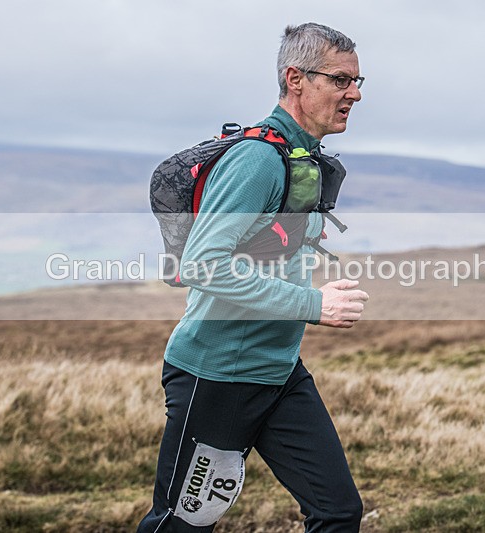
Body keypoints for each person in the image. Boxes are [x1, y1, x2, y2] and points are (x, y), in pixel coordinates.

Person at [138, 22, 368, 532]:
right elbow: (203, 265)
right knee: (181, 523)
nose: (353, 93)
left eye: (357, 82)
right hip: (216, 374)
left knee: (337, 512)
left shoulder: (300, 157)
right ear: (296, 79)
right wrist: (314, 304)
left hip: (278, 372)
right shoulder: (258, 160)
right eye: (339, 80)